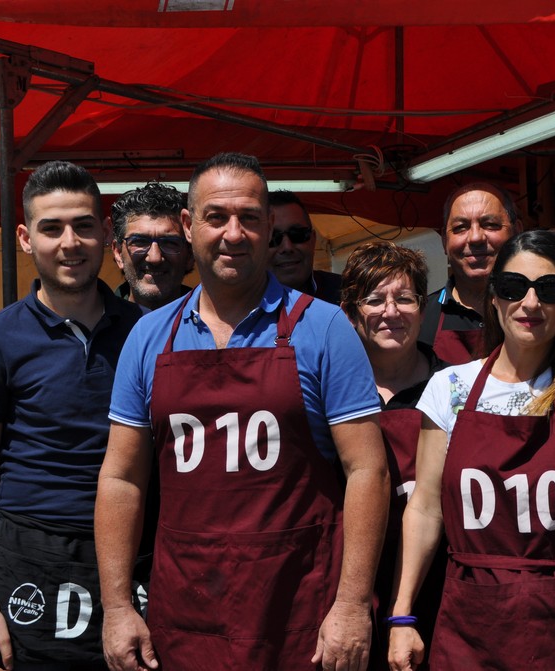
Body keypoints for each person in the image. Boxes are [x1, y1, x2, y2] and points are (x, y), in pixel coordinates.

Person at [95, 152, 389, 671]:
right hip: (186, 613)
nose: (233, 233)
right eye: (216, 217)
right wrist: (117, 607)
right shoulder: (149, 336)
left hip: (300, 612)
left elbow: (368, 470)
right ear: (188, 225)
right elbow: (121, 479)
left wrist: (350, 606)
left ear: (269, 226)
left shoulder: (322, 328)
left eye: (250, 218)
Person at [389, 229, 555, 670]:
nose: (530, 304)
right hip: (472, 620)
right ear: (493, 297)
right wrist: (402, 615)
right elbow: (426, 508)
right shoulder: (451, 387)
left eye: (548, 290)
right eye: (513, 287)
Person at [0, 161, 144, 671]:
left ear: (107, 233)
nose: (70, 242)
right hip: (32, 555)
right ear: (24, 237)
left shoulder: (144, 333)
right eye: (51, 227)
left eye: (83, 225)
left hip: (133, 552)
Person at [338, 241, 445, 670]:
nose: (391, 311)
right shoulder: (333, 391)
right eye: (375, 299)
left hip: (438, 587)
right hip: (350, 589)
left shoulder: (454, 388)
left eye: (404, 298)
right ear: (350, 312)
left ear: (423, 308)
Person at [418, 182, 521, 364]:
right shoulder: (419, 319)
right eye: (460, 227)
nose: (475, 238)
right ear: (444, 241)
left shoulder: (540, 311)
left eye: (490, 224)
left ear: (517, 232)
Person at [110, 181, 193, 311]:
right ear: (118, 253)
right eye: (140, 241)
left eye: (170, 243)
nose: (154, 258)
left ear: (190, 255)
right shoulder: (95, 325)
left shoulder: (217, 327)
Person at [267, 189, 342, 303]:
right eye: (273, 237)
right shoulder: (235, 306)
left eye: (297, 234)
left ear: (313, 239)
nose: (287, 247)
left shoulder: (350, 294)